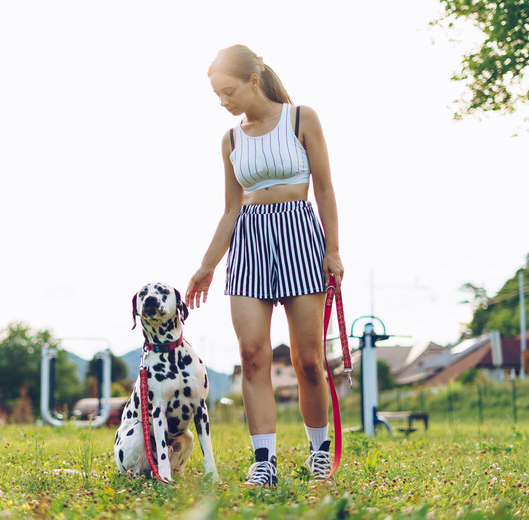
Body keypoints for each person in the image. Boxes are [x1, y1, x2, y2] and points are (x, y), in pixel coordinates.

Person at [186, 44, 344, 487]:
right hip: (249, 242)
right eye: (218, 94)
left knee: (308, 359)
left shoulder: (301, 118)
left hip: (299, 234)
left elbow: (326, 189)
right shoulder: (231, 140)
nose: (223, 102)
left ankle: (318, 452)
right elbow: (230, 210)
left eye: (228, 91)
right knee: (252, 356)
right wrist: (207, 265)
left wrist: (333, 250)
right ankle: (264, 461)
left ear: (253, 80)